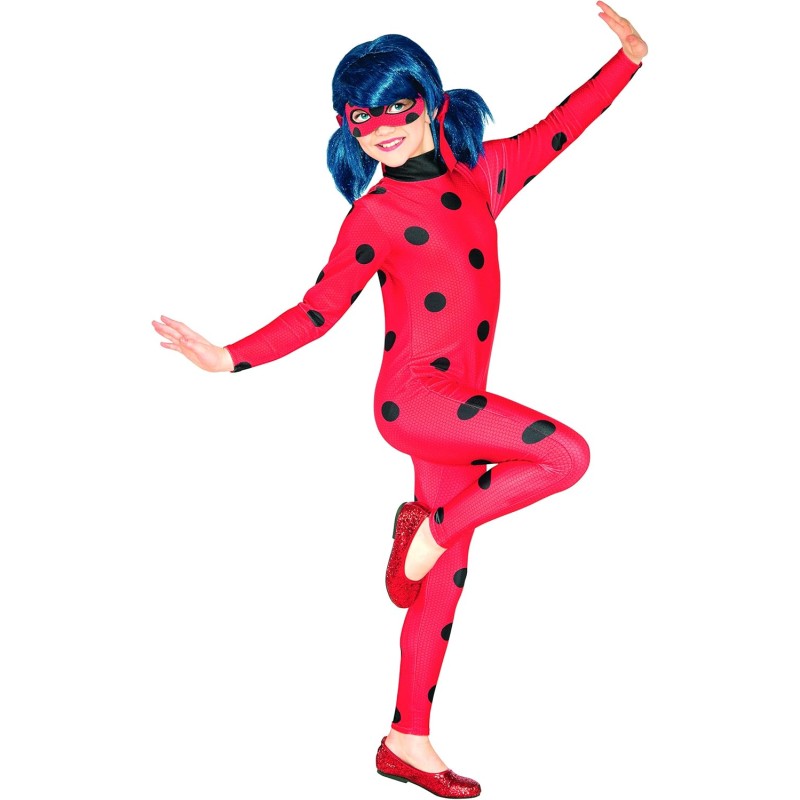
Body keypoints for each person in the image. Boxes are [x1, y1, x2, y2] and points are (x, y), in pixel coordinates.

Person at [152, 3, 647, 796]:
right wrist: (230, 357)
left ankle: (406, 739)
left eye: (396, 109)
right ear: (346, 127)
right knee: (565, 455)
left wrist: (628, 59)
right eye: (362, 117)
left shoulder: (483, 175)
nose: (381, 128)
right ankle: (428, 532)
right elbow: (318, 310)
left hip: (461, 412)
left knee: (444, 583)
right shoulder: (376, 215)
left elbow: (561, 129)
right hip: (415, 402)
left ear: (429, 101)